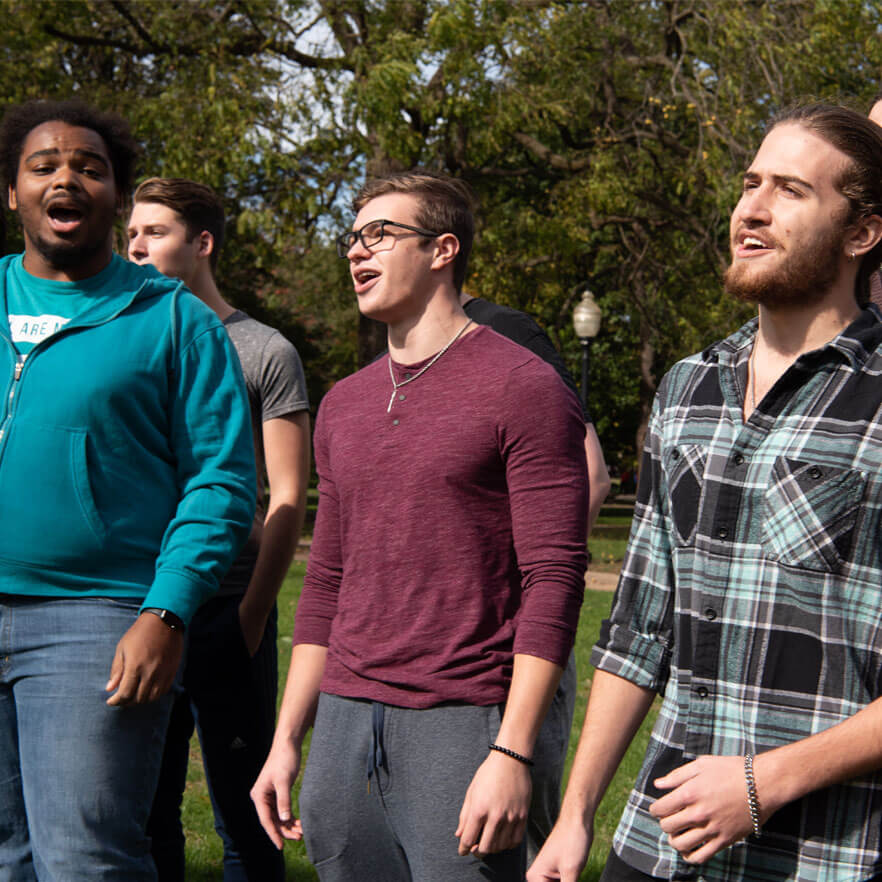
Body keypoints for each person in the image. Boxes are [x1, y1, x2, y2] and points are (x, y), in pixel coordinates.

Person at [528, 102, 882, 882]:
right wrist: (577, 813)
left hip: (828, 854)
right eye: (750, 183)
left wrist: (764, 782)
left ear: (861, 233)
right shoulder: (688, 389)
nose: (751, 208)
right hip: (660, 841)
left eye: (791, 190)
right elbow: (639, 627)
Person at [251, 171, 590, 881]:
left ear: (442, 250)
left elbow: (554, 579)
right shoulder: (343, 404)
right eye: (352, 237)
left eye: (380, 234)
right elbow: (326, 581)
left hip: (465, 720)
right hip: (344, 723)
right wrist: (286, 739)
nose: (356, 250)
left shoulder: (524, 386)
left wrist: (512, 752)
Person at [0, 100, 255, 881]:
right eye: (44, 166)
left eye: (90, 168)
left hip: (97, 620)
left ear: (116, 197)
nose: (66, 179)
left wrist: (165, 611)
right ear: (11, 192)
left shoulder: (173, 320)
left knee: (85, 862)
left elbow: (220, 481)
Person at [127, 178, 311, 882]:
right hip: (138, 609)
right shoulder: (124, 339)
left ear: (202, 243)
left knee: (246, 818)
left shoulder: (263, 351)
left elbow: (287, 497)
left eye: (155, 232)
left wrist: (253, 614)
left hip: (227, 610)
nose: (136, 246)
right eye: (131, 233)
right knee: (147, 815)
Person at [459, 289, 610, 862]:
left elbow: (590, 474)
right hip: (419, 664)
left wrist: (536, 596)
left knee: (519, 845)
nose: (358, 253)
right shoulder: (394, 356)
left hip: (512, 645)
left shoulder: (506, 331)